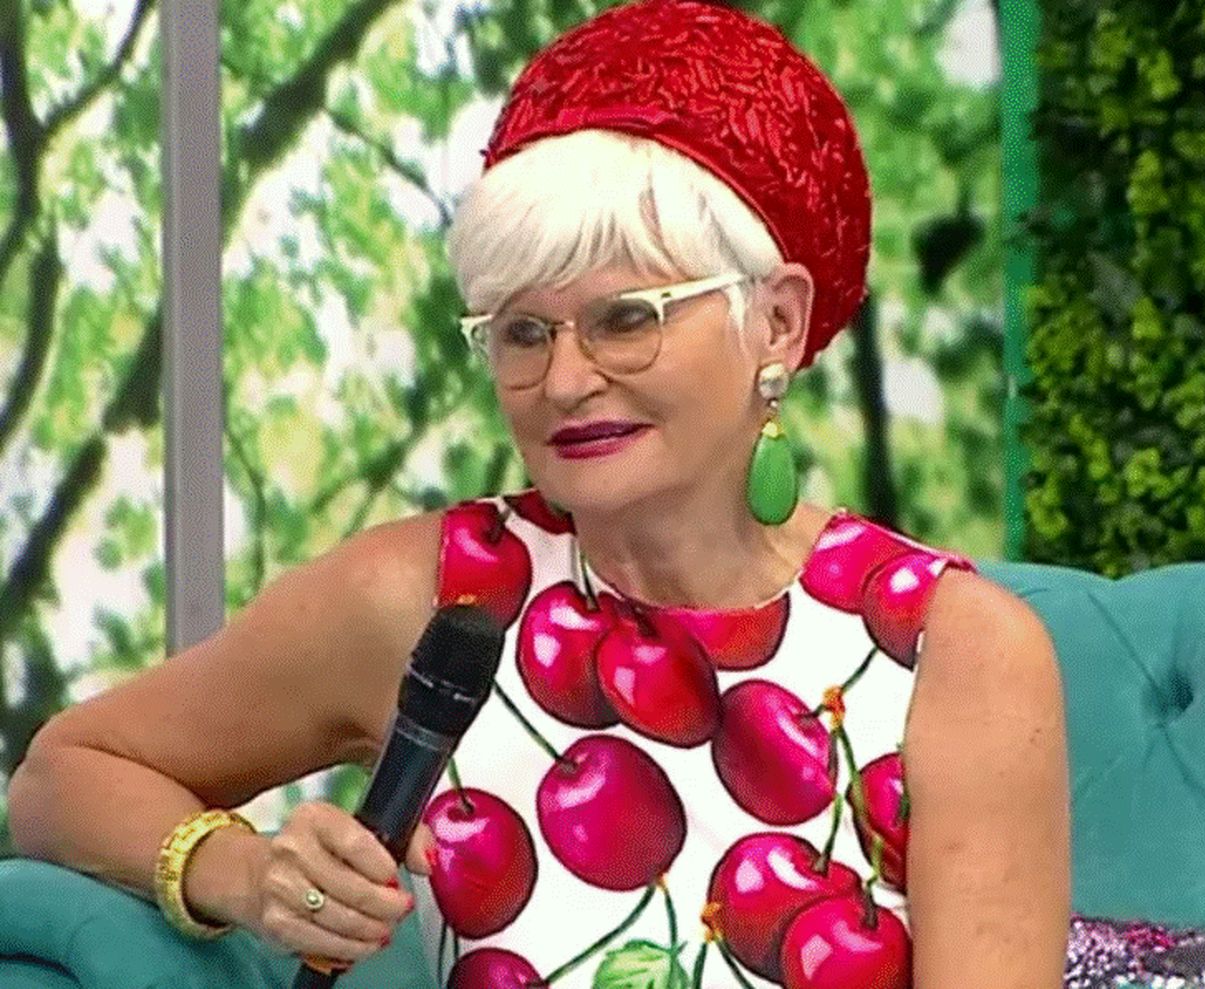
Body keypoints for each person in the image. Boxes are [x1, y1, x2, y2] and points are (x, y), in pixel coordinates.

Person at [7, 1, 1071, 986]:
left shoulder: (956, 649)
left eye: (626, 318)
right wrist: (242, 870)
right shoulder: (435, 598)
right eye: (523, 331)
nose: (563, 380)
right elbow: (62, 773)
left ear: (777, 324)